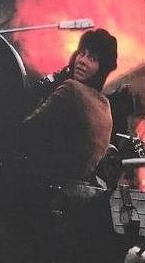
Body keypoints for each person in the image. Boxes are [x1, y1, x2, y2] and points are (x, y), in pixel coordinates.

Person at [19, 28, 118, 184]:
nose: (82, 61)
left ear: (102, 69)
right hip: (78, 186)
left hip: (45, 182)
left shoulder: (71, 88)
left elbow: (28, 129)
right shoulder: (105, 104)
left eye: (92, 58)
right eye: (81, 53)